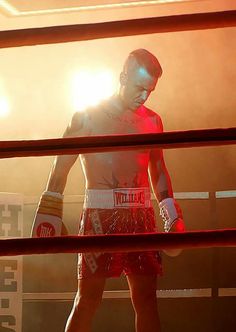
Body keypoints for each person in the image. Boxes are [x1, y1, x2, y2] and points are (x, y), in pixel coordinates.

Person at [32, 49, 185, 332]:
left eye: (150, 91)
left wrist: (172, 215)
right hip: (100, 216)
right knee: (87, 300)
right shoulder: (87, 117)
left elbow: (159, 169)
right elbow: (61, 165)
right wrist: (49, 209)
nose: (144, 97)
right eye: (139, 88)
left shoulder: (152, 121)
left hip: (141, 215)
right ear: (122, 77)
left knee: (146, 299)